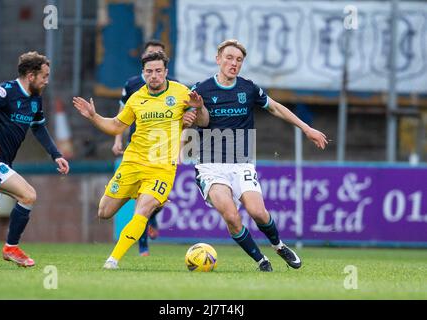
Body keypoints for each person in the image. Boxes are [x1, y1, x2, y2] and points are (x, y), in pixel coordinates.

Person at [187, 39, 328, 272]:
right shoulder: (200, 89)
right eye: (229, 58)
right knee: (231, 217)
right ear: (218, 59)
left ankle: (279, 245)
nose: (234, 63)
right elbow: (203, 122)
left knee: (258, 212)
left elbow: (275, 107)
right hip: (210, 165)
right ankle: (261, 261)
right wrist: (198, 109)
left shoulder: (248, 88)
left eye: (239, 60)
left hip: (241, 163)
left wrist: (306, 128)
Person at [73, 51, 205, 269]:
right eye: (149, 71)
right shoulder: (136, 99)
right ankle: (137, 192)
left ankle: (112, 260)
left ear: (166, 72)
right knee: (104, 212)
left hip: (162, 168)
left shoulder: (181, 92)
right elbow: (116, 126)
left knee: (141, 211)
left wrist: (194, 112)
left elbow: (200, 117)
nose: (154, 75)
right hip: (133, 163)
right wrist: (94, 117)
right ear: (143, 73)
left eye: (158, 71)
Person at [0, 51, 70, 267]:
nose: (47, 80)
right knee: (28, 195)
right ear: (30, 75)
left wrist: (56, 155)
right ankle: (11, 248)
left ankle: (10, 247)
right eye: (44, 76)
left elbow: (38, 128)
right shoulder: (7, 91)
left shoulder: (35, 99)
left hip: (1, 162)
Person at [112, 40, 173, 256]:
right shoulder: (131, 84)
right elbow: (120, 117)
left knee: (155, 200)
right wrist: (117, 140)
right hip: (137, 147)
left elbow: (185, 118)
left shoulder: (173, 87)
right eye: (151, 55)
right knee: (140, 201)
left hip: (163, 151)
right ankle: (143, 246)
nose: (154, 73)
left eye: (159, 55)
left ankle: (151, 223)